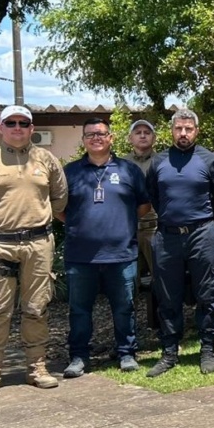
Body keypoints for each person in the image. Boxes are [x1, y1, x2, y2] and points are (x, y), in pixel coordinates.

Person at [0, 105, 68, 396]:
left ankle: (37, 367)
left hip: (38, 244)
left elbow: (59, 198)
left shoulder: (46, 159)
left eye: (24, 123)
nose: (18, 128)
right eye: (11, 122)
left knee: (36, 307)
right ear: (0, 126)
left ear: (32, 128)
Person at [60, 118, 150, 378]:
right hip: (80, 255)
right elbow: (60, 210)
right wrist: (81, 224)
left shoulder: (128, 170)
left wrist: (121, 223)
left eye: (101, 134)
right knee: (79, 309)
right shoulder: (71, 172)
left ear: (111, 138)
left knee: (124, 307)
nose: (95, 138)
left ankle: (126, 353)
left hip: (121, 253)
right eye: (90, 134)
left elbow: (143, 206)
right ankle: (78, 356)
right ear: (83, 140)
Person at [144, 108, 214, 377]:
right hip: (167, 237)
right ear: (171, 130)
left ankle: (207, 350)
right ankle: (169, 352)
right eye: (179, 128)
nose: (183, 133)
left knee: (208, 293)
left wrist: (199, 222)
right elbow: (154, 197)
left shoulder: (210, 160)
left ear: (196, 131)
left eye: (188, 129)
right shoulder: (158, 162)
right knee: (167, 297)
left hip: (202, 234)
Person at [127, 120, 160, 329]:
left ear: (154, 137)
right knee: (128, 284)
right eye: (137, 132)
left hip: (156, 228)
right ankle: (128, 334)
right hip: (128, 230)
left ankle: (164, 329)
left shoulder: (163, 161)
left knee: (162, 280)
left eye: (147, 132)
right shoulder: (120, 163)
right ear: (130, 138)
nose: (142, 136)